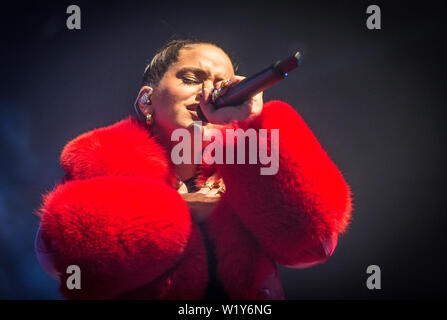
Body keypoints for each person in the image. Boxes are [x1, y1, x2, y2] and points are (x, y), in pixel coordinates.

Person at [34, 39, 352, 299]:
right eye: (190, 79)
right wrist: (183, 210)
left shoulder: (249, 168)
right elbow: (61, 255)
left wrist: (253, 128)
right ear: (146, 101)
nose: (209, 94)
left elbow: (315, 241)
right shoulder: (100, 163)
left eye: (221, 87)